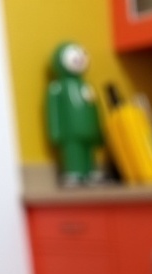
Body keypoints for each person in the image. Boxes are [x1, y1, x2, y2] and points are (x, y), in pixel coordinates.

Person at [46, 43, 104, 184]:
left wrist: (99, 131)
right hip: (70, 133)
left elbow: (94, 109)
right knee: (74, 151)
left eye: (81, 53)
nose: (79, 57)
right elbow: (53, 111)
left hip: (89, 131)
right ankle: (75, 172)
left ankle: (90, 171)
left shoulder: (87, 86)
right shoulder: (57, 88)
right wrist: (55, 132)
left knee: (88, 152)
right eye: (74, 54)